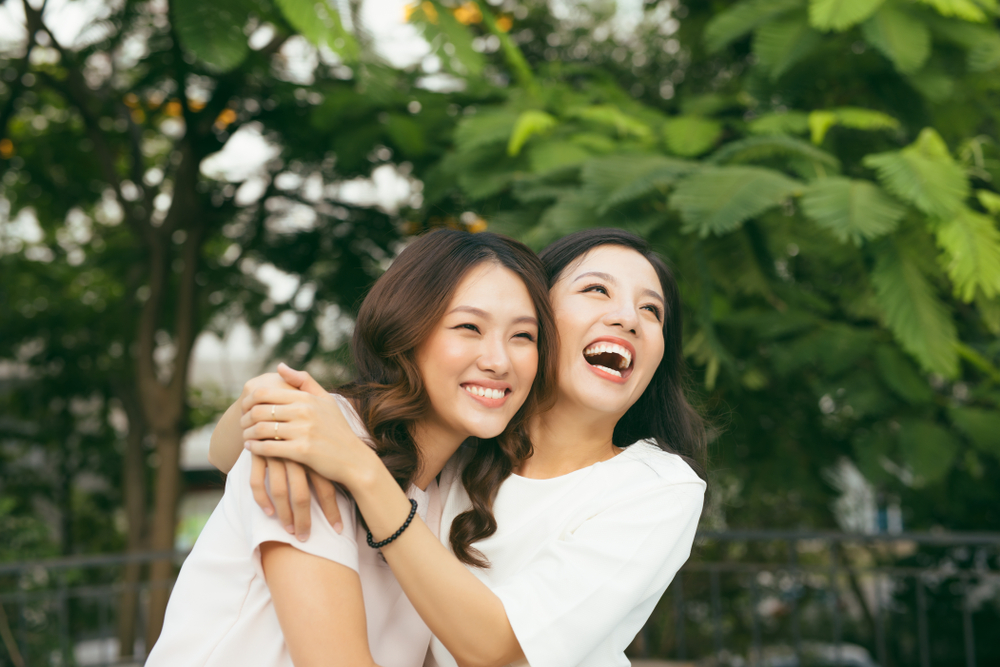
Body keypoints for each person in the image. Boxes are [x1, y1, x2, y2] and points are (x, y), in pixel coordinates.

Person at [230, 228, 708, 667]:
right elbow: (226, 453)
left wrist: (358, 468)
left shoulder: (656, 487)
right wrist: (274, 401)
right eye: (596, 289)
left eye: (652, 310)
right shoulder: (463, 448)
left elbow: (495, 647)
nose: (628, 317)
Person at [145, 229, 558, 667]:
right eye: (469, 327)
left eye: (523, 336)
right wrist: (264, 406)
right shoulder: (314, 438)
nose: (499, 360)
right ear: (407, 332)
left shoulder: (460, 489)